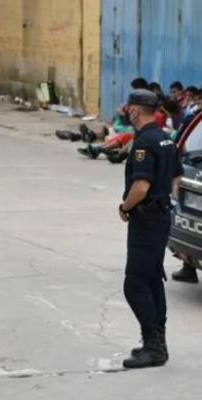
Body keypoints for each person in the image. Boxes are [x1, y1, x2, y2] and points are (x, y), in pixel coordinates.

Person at [117, 89, 183, 369]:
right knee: (153, 279)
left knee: (135, 283)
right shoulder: (165, 138)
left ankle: (153, 346)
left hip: (146, 220)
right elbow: (176, 176)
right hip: (160, 217)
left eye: (129, 107)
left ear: (136, 110)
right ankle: (158, 343)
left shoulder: (145, 141)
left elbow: (141, 186)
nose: (126, 111)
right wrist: (166, 202)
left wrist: (126, 207)